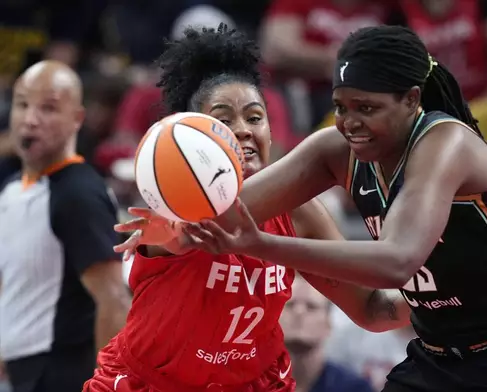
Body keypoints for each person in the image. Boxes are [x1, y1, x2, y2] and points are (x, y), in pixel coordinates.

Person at [120, 25, 487, 391]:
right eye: (341, 106)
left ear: (411, 100)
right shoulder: (333, 150)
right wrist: (176, 225)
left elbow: (397, 260)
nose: (350, 123)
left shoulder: (445, 144)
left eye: (367, 108)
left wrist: (260, 243)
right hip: (445, 357)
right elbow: (231, 210)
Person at [86, 26, 410, 392]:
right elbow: (170, 235)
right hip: (149, 383)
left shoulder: (300, 212)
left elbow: (371, 308)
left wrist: (445, 295)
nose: (242, 130)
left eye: (255, 118)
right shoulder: (180, 205)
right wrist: (171, 230)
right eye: (224, 120)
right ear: (192, 135)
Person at [0, 60, 130, 392]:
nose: (30, 119)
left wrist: (104, 385)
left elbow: (113, 298)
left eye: (48, 108)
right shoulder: (13, 187)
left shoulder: (79, 194)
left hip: (60, 372)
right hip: (19, 370)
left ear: (77, 119)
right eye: (22, 104)